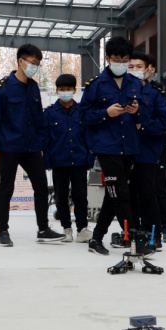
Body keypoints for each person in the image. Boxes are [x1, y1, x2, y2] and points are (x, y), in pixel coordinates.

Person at [0, 44, 65, 247]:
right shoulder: (3, 87)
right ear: (21, 61)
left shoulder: (33, 87)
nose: (35, 67)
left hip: (32, 147)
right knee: (6, 189)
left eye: (38, 64)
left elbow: (38, 119)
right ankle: (3, 230)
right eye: (33, 62)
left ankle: (43, 229)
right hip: (10, 146)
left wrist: (42, 143)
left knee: (41, 187)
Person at [78, 36, 147, 256]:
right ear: (108, 58)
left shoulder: (135, 83)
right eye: (117, 60)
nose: (121, 64)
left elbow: (144, 114)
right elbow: (84, 116)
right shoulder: (96, 85)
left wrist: (137, 112)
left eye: (125, 60)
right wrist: (105, 113)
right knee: (121, 192)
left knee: (113, 192)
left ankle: (96, 238)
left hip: (129, 146)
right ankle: (134, 239)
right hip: (106, 146)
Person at [126, 52, 166, 250]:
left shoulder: (155, 94)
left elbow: (163, 123)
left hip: (147, 151)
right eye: (131, 66)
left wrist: (142, 126)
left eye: (139, 66)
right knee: (129, 194)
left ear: (147, 70)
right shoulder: (121, 92)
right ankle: (133, 233)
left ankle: (154, 233)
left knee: (147, 193)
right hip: (125, 151)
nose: (134, 70)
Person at [43, 74, 94, 243]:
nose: (65, 92)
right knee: (61, 197)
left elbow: (89, 137)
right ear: (57, 90)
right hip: (59, 161)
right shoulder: (49, 113)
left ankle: (82, 229)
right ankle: (66, 229)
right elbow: (46, 140)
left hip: (79, 160)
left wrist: (89, 159)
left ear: (74, 90)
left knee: (81, 196)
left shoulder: (82, 112)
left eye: (69, 89)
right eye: (62, 89)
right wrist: (47, 161)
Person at [144, 55, 166, 243]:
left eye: (142, 66)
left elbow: (163, 121)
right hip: (138, 147)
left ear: (151, 69)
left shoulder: (157, 90)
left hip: (156, 144)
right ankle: (144, 227)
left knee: (159, 186)